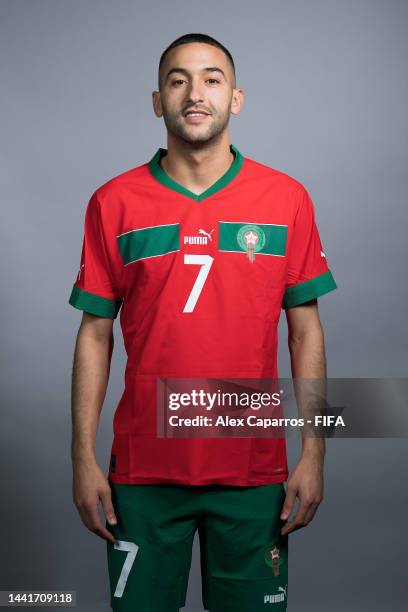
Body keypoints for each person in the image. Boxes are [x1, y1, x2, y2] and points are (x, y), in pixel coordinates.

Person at [69, 32, 337, 612]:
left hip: (253, 470)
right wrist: (82, 457)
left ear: (236, 98)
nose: (196, 93)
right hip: (141, 475)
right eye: (178, 79)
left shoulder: (286, 198)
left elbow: (305, 331)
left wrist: (313, 454)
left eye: (212, 79)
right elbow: (95, 333)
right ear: (157, 100)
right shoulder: (113, 202)